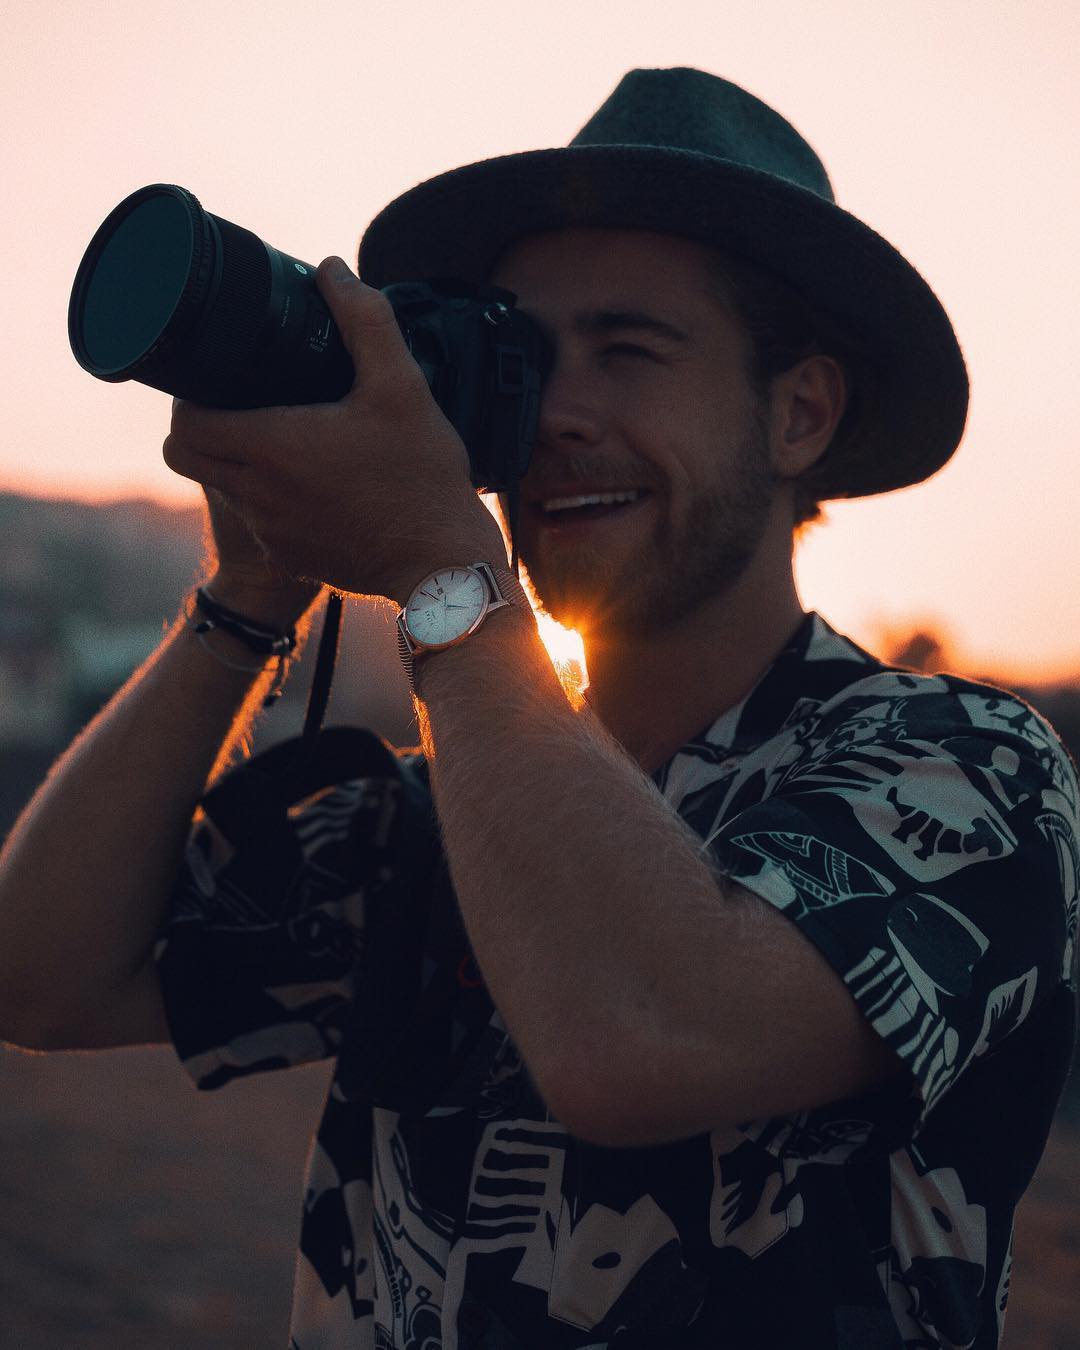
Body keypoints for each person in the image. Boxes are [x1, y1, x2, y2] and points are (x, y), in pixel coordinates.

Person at [1, 66, 1077, 1350]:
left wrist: (442, 571)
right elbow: (41, 979)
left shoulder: (971, 774)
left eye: (628, 351)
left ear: (800, 413)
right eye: (526, 356)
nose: (554, 416)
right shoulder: (441, 814)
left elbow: (639, 1037)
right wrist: (248, 594)